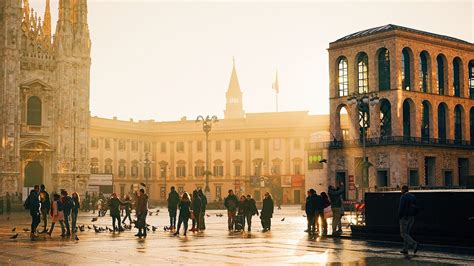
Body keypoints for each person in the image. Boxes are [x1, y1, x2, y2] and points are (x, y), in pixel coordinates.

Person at [398, 185, 419, 255]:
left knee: (403, 233)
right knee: (407, 233)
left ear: (403, 190)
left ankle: (414, 244)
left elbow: (401, 208)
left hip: (404, 218)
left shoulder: (403, 197)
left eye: (401, 190)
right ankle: (405, 249)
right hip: (412, 218)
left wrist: (399, 216)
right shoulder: (413, 196)